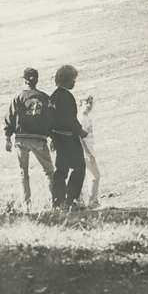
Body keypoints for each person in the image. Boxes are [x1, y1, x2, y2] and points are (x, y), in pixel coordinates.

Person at [4, 67, 56, 209]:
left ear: (25, 80)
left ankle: (27, 205)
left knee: (23, 172)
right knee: (49, 172)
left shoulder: (18, 97)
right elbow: (51, 119)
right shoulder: (45, 97)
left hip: (21, 138)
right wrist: (53, 138)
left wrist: (7, 137)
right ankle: (55, 202)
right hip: (39, 138)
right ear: (37, 79)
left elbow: (10, 117)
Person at [49, 65, 87, 210]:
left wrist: (53, 137)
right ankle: (71, 200)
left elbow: (50, 119)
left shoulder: (53, 96)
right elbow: (70, 120)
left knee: (61, 170)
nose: (74, 83)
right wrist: (81, 132)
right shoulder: (67, 96)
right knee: (79, 168)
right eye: (73, 79)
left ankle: (57, 201)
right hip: (69, 138)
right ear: (67, 80)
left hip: (57, 138)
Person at [79, 94, 101, 209]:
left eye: (91, 102)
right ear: (80, 103)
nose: (89, 105)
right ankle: (92, 202)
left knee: (90, 176)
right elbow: (79, 137)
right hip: (85, 151)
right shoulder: (81, 118)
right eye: (86, 102)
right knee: (95, 176)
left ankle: (89, 201)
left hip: (89, 150)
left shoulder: (87, 117)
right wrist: (87, 152)